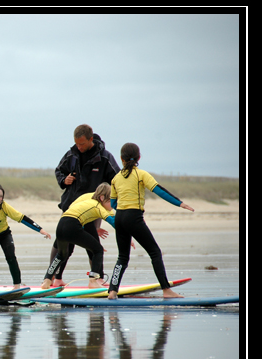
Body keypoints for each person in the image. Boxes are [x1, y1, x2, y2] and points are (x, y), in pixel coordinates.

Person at [108, 143, 194, 299]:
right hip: (133, 217)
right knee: (155, 252)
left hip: (119, 218)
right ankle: (166, 290)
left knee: (122, 257)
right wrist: (180, 203)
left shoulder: (115, 178)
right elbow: (159, 190)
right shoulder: (141, 174)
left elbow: (113, 203)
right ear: (139, 157)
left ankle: (112, 291)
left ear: (121, 159)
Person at [50, 124, 120, 286]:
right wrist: (64, 180)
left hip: (94, 207)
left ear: (90, 139)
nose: (79, 147)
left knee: (93, 242)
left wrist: (115, 204)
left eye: (82, 144)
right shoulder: (71, 154)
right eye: (76, 144)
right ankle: (56, 278)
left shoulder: (104, 158)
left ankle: (97, 279)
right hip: (72, 206)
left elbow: (117, 181)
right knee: (64, 243)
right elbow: (59, 170)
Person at [0, 183, 51, 289]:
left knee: (11, 257)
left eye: (1, 196)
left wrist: (40, 230)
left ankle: (16, 286)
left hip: (4, 235)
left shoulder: (4, 207)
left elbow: (22, 218)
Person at [41, 183, 115, 290]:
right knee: (98, 250)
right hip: (73, 225)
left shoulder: (86, 199)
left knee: (61, 254)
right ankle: (93, 281)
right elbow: (113, 222)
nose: (112, 205)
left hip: (61, 223)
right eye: (110, 202)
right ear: (102, 198)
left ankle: (46, 281)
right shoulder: (98, 206)